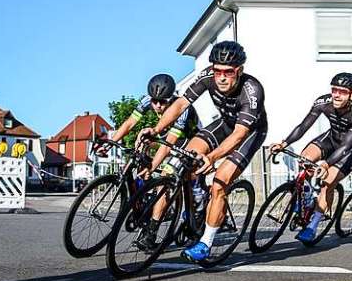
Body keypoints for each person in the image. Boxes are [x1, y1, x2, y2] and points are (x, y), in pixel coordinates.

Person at [141, 40, 267, 264]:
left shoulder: (252, 90)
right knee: (181, 160)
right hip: (224, 124)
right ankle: (187, 217)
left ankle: (206, 243)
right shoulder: (207, 76)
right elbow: (180, 104)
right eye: (217, 71)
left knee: (220, 182)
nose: (221, 77)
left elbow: (239, 135)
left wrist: (212, 157)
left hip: (248, 133)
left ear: (240, 70)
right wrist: (157, 129)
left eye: (228, 72)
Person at [100, 73, 200, 251]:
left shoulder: (182, 110)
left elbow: (168, 145)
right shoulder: (148, 100)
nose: (158, 106)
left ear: (171, 99)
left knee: (166, 178)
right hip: (169, 139)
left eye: (163, 102)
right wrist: (110, 144)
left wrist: (153, 166)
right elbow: (129, 123)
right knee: (142, 140)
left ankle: (152, 232)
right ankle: (145, 198)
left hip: (190, 144)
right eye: (155, 101)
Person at [269, 73, 352, 242]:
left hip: (348, 150)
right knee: (304, 159)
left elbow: (345, 147)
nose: (336, 95)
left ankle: (312, 226)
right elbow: (303, 126)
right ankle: (306, 198)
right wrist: (284, 143)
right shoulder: (324, 102)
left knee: (327, 183)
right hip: (330, 139)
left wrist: (326, 165)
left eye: (342, 92)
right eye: (334, 90)